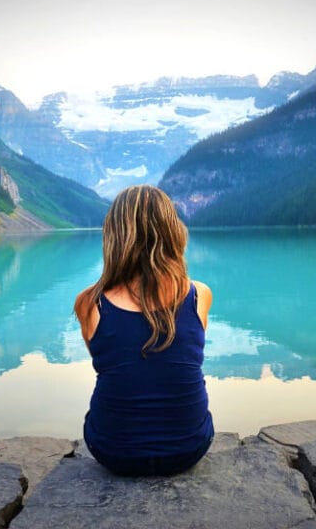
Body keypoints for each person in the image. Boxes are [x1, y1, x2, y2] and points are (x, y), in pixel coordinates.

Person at [74, 185, 214, 477]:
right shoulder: (199, 295)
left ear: (113, 235)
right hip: (188, 448)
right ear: (173, 231)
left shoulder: (89, 303)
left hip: (113, 452)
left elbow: (106, 361)